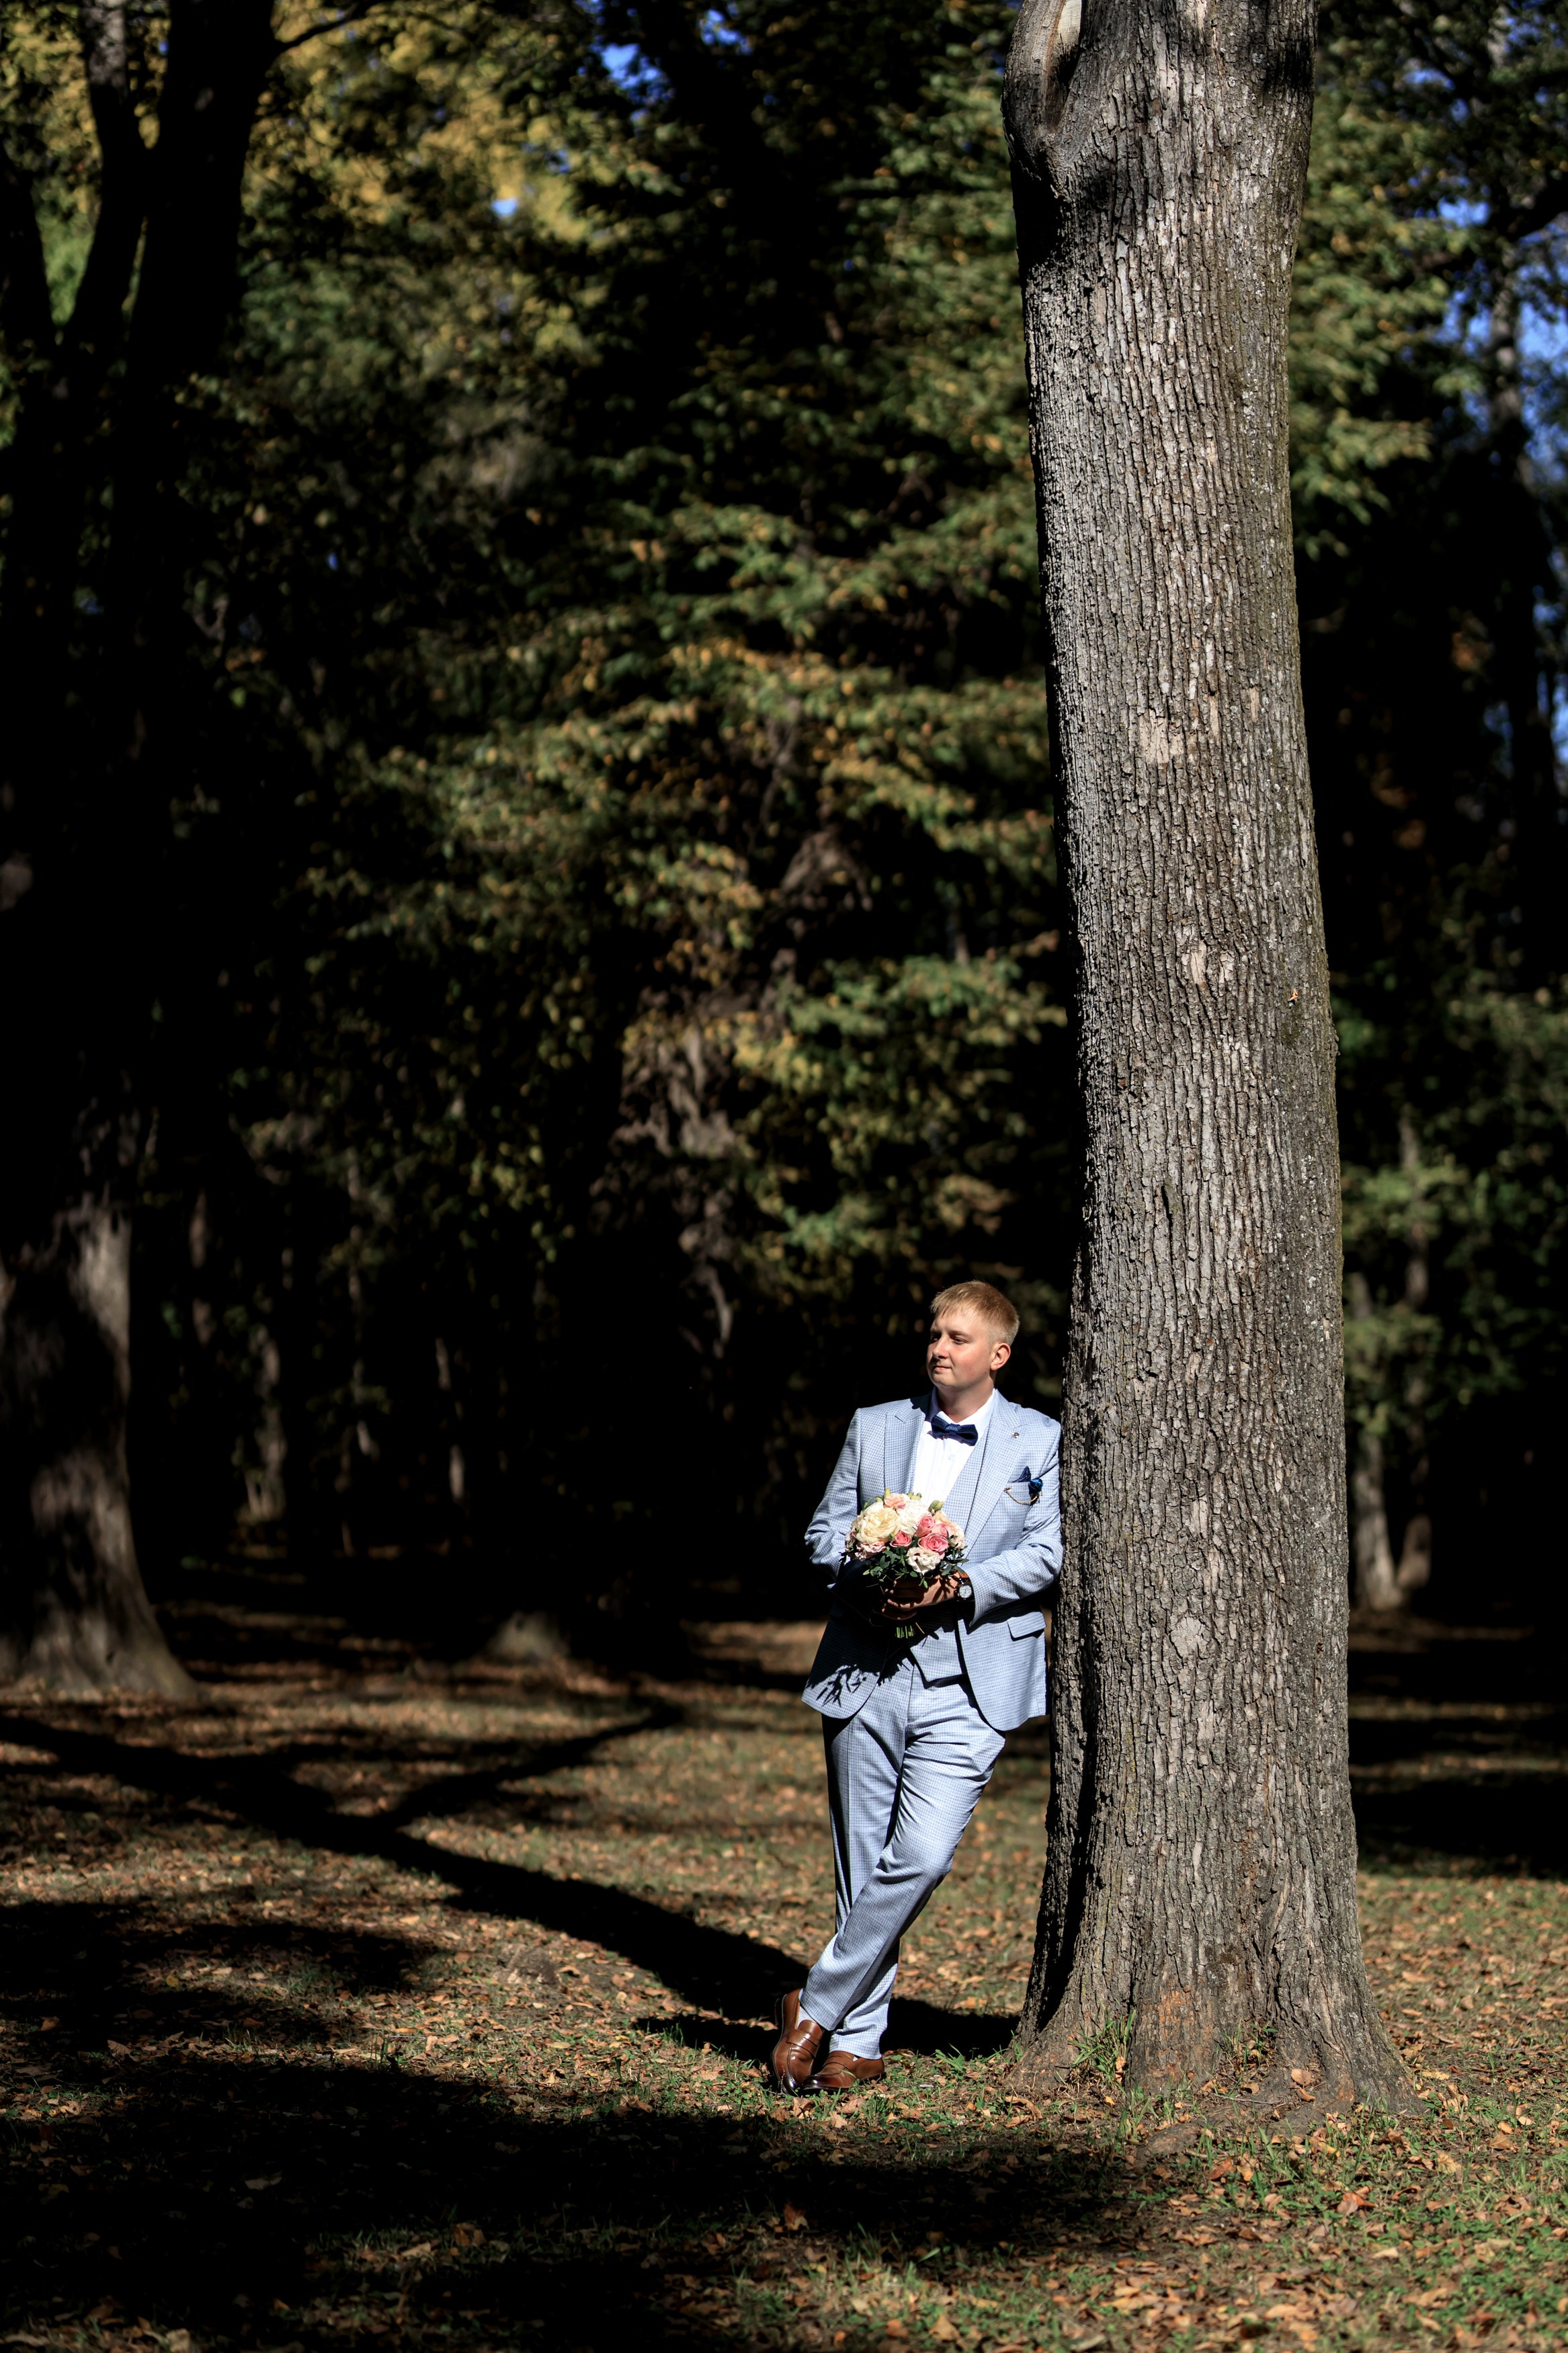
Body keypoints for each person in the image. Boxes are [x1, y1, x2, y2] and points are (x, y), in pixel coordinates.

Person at [771, 1280, 1062, 2093]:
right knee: (861, 1866)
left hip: (970, 1681)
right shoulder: (876, 1425)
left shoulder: (1039, 1441)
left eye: (958, 1337)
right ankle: (855, 2044)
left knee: (923, 1854)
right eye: (933, 1333)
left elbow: (1049, 1552)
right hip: (863, 1670)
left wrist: (960, 1583)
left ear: (997, 1353)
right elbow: (824, 1531)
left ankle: (814, 2001)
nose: (938, 1347)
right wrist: (859, 1570)